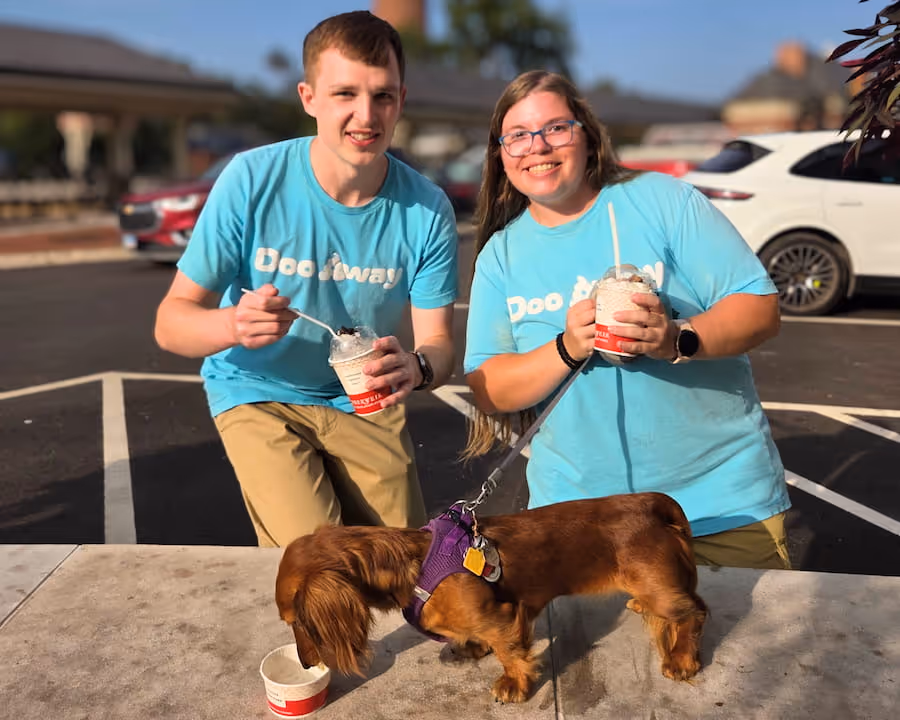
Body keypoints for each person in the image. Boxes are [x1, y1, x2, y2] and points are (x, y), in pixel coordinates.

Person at [463, 70, 791, 570]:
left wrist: (677, 338)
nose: (537, 146)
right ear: (500, 153)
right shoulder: (500, 257)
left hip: (716, 509)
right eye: (519, 135)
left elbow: (759, 307)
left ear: (587, 135)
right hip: (577, 524)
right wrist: (566, 347)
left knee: (748, 649)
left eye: (556, 128)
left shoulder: (662, 200)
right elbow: (490, 389)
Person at [154, 11, 458, 548]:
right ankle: (313, 634)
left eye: (383, 96)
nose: (366, 115)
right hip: (257, 390)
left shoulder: (428, 209)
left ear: (401, 100)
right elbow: (170, 323)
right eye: (345, 93)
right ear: (308, 97)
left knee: (403, 560)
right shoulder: (251, 179)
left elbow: (438, 344)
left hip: (361, 397)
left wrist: (418, 366)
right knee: (318, 557)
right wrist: (233, 324)